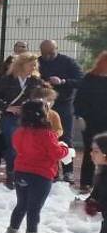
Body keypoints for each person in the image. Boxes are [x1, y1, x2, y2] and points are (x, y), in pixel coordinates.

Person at [6, 100, 70, 233]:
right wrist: (65, 148)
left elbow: (17, 147)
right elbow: (56, 153)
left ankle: (11, 231)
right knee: (34, 207)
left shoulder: (19, 132)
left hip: (21, 172)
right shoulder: (47, 134)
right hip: (41, 174)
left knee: (21, 204)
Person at [0, 53, 43, 177]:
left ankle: (23, 173)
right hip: (9, 118)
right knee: (13, 146)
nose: (34, 68)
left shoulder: (35, 81)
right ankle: (12, 175)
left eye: (35, 65)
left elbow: (44, 96)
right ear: (21, 65)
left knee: (27, 146)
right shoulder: (8, 79)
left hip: (28, 118)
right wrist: (7, 107)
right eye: (31, 65)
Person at [38, 39, 82, 181]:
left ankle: (68, 171)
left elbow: (81, 80)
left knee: (65, 137)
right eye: (44, 53)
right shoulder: (37, 62)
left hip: (64, 104)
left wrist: (63, 81)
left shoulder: (68, 62)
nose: (47, 56)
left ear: (57, 49)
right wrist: (42, 82)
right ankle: (52, 170)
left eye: (50, 53)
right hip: (43, 105)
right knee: (44, 137)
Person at [76, 52, 107, 192]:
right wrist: (79, 116)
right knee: (91, 151)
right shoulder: (90, 78)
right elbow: (80, 99)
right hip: (91, 121)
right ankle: (86, 183)